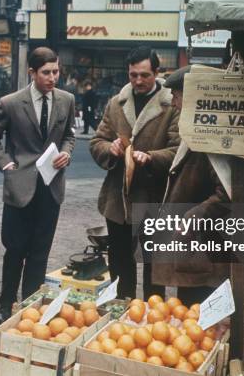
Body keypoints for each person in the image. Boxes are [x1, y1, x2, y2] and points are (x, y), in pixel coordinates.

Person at [0, 47, 75, 325]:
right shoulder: (11, 102)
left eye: (55, 71)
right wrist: (6, 164)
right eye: (46, 73)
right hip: (20, 189)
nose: (52, 78)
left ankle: (30, 305)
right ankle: (5, 303)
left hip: (51, 187)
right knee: (15, 250)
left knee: (40, 252)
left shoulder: (66, 100)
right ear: (32, 73)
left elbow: (69, 134)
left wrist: (67, 152)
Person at [90, 46, 180, 300]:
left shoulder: (171, 104)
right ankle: (121, 311)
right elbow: (96, 142)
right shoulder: (116, 104)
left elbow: (178, 150)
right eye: (133, 75)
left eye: (144, 75)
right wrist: (111, 148)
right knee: (119, 263)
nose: (138, 81)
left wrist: (151, 157)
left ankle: (151, 318)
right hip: (118, 201)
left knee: (154, 267)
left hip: (155, 198)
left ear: (156, 73)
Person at [151, 66, 230, 305]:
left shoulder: (211, 137)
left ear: (194, 97)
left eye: (176, 96)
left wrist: (191, 217)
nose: (174, 103)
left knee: (198, 314)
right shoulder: (196, 132)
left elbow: (227, 194)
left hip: (205, 249)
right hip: (196, 249)